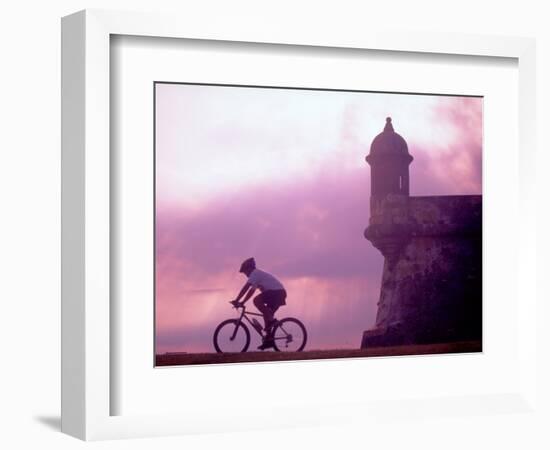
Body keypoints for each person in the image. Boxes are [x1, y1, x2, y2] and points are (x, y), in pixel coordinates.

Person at [231, 257, 287, 350]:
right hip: (279, 293)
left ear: (249, 268)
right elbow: (251, 291)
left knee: (256, 301)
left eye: (245, 272)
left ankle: (270, 319)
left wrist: (238, 300)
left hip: (277, 293)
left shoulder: (255, 273)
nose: (245, 274)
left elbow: (246, 288)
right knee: (267, 316)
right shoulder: (256, 275)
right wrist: (242, 302)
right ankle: (269, 341)